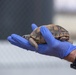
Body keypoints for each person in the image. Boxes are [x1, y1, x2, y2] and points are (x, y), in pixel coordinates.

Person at [7, 23, 76, 69]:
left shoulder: (31, 38)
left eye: (25, 37)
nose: (25, 37)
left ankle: (64, 38)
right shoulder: (32, 36)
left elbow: (32, 41)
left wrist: (71, 53)